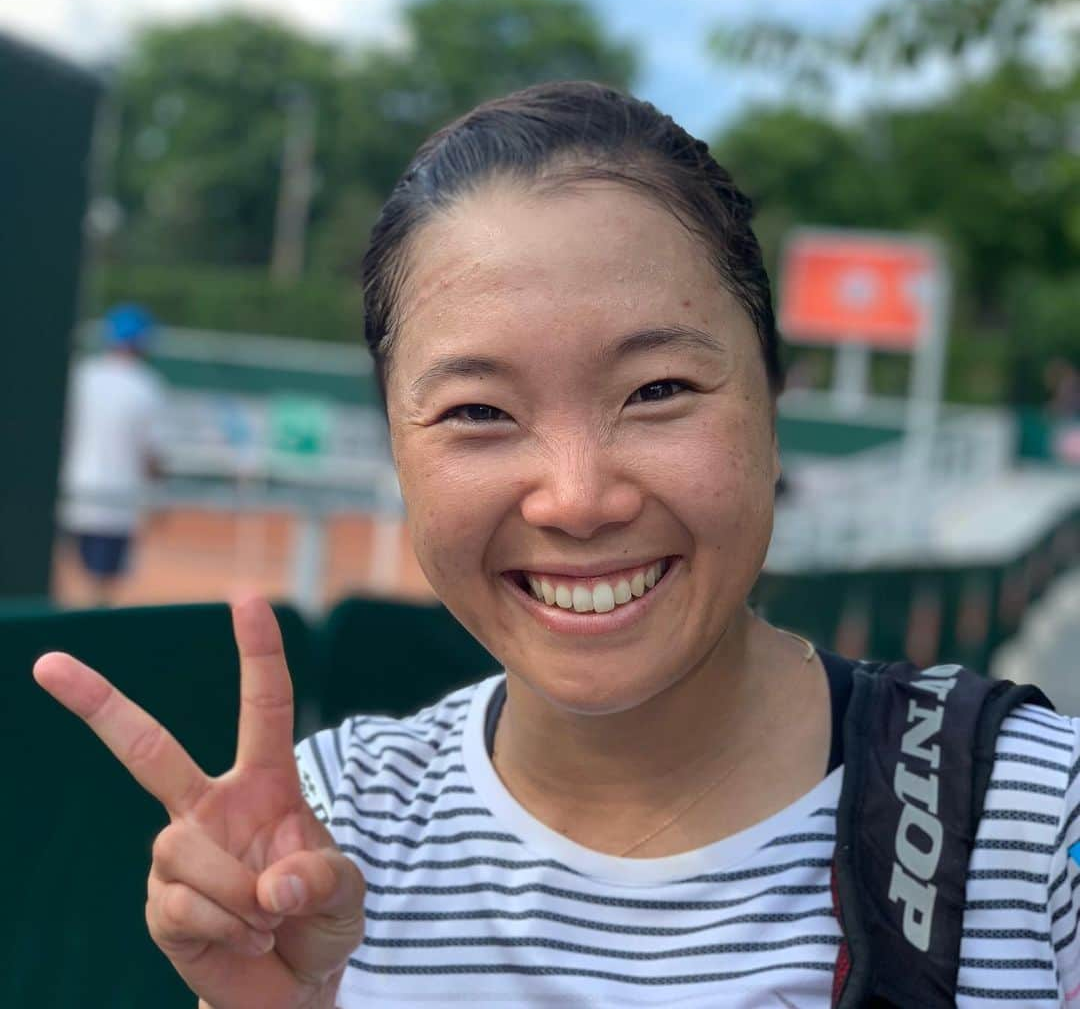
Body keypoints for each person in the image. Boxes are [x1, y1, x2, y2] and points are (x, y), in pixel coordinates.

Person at [33, 83, 1080, 1006]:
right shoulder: (327, 827)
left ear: (773, 405)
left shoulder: (1039, 832)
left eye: (658, 391)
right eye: (479, 412)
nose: (577, 499)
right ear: (397, 447)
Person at [59, 303, 166, 604]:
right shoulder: (147, 386)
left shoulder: (82, 376)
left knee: (67, 579)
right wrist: (159, 493)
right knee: (101, 589)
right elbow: (152, 454)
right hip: (118, 502)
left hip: (74, 492)